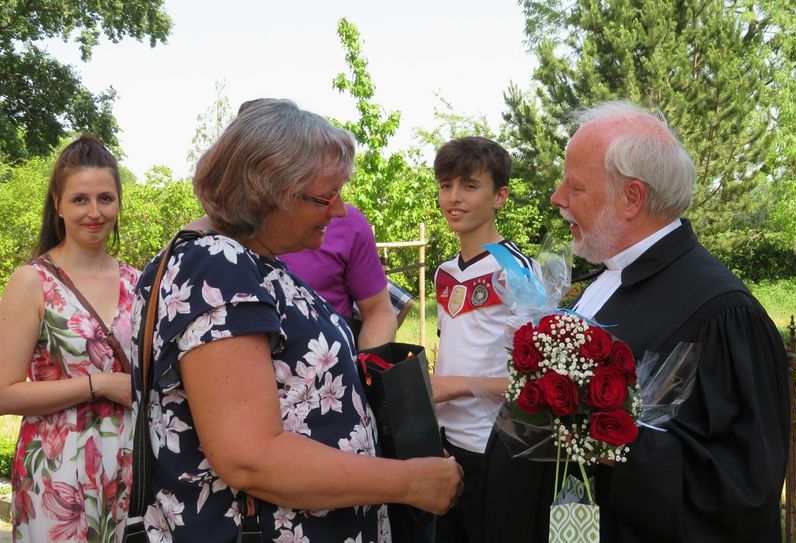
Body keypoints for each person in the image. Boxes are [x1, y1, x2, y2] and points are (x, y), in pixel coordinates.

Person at [130, 99, 462, 543]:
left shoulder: (246, 261)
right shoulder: (217, 266)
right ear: (268, 191)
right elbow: (251, 456)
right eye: (327, 196)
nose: (340, 211)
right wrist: (409, 482)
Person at [480, 101, 790, 542]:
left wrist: (608, 430)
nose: (557, 198)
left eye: (575, 186)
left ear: (631, 198)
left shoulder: (721, 313)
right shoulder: (608, 277)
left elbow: (738, 494)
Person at [0, 134, 137, 542]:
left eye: (105, 198)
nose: (94, 212)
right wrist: (100, 384)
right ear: (57, 204)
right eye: (80, 200)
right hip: (57, 476)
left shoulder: (138, 281)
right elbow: (4, 393)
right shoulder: (33, 282)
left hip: (130, 468)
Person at [431, 137, 532, 543]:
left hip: (493, 448)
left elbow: (537, 382)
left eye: (469, 186)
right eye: (445, 185)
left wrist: (454, 387)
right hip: (440, 446)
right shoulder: (443, 272)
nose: (453, 198)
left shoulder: (518, 272)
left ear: (500, 196)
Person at [279, 203, 397, 348]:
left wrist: (367, 365)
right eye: (327, 196)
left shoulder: (349, 224)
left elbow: (377, 309)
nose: (340, 209)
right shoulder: (246, 230)